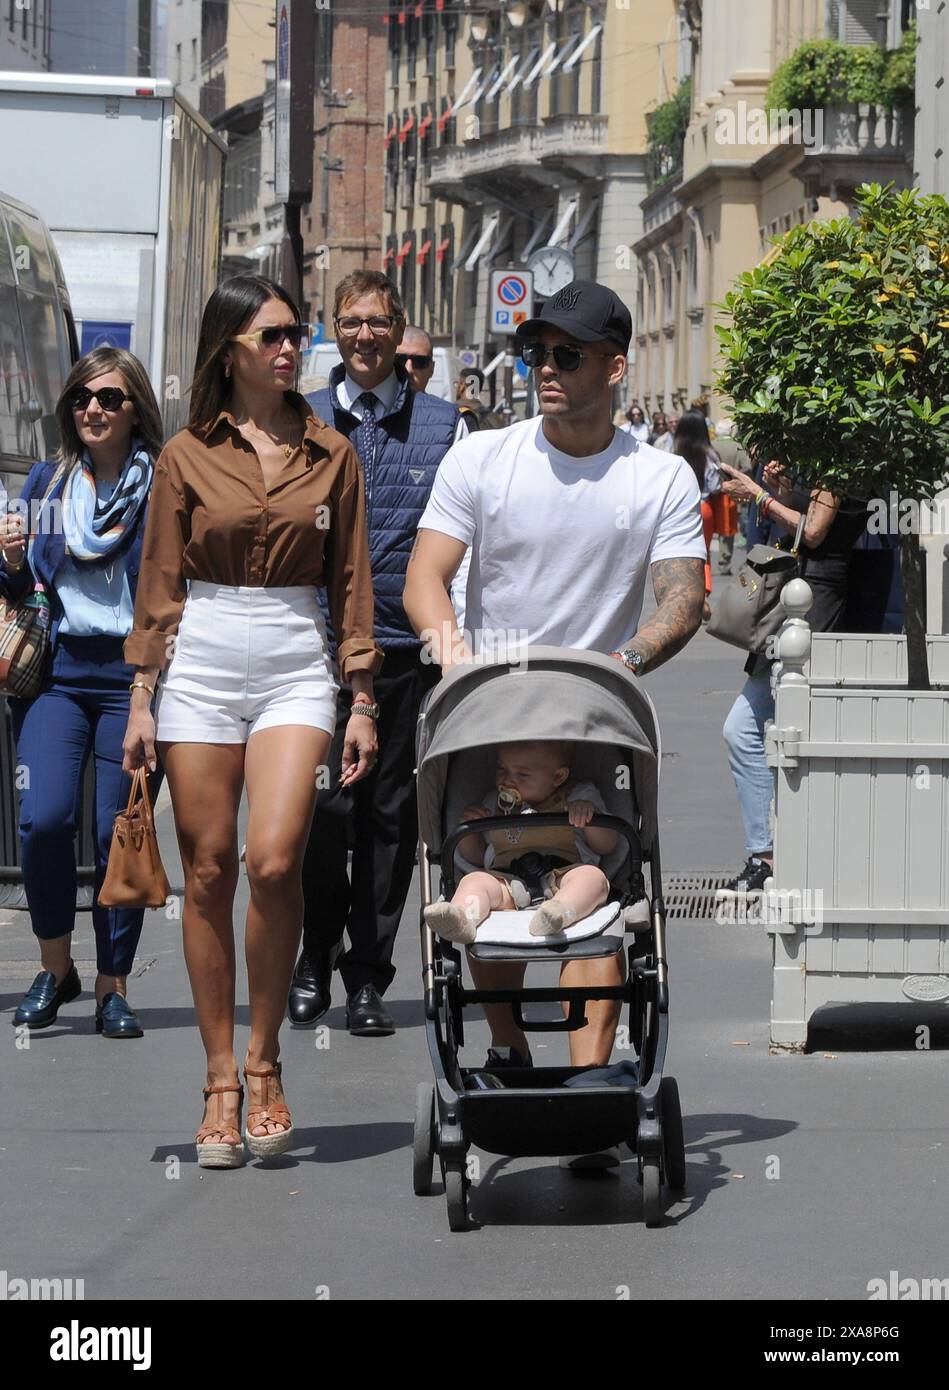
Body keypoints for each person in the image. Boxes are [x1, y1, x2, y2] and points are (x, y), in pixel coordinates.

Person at [404, 278, 706, 1127]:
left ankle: (588, 1085)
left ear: (614, 368)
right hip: (489, 709)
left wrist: (623, 662)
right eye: (537, 351)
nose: (545, 368)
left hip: (591, 714)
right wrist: (455, 659)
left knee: (599, 891)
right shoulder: (481, 457)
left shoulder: (657, 478)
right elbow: (424, 577)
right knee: (481, 863)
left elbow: (682, 599)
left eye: (566, 355)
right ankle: (505, 1049)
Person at [122, 274, 381, 1168]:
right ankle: (221, 1078)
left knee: (274, 858)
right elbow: (158, 584)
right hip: (202, 649)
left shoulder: (331, 451)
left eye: (293, 334)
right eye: (270, 335)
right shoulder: (187, 454)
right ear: (228, 347)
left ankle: (267, 1060)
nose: (287, 349)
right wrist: (142, 698)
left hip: (292, 654)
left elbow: (352, 585)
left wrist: (362, 699)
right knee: (208, 866)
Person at [289, 270, 465, 1037]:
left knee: (390, 821)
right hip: (318, 651)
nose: (365, 336)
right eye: (351, 322)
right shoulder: (302, 418)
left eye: (379, 323)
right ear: (335, 330)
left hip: (405, 652)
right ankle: (312, 954)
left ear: (399, 333)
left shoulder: (444, 425)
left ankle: (368, 976)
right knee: (322, 813)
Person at [1, 348, 163, 1038]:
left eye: (109, 398)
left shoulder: (162, 489)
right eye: (81, 399)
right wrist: (9, 559)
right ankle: (54, 968)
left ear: (135, 411)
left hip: (133, 681)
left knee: (116, 832)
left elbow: (175, 590)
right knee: (43, 821)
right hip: (57, 677)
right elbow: (20, 594)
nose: (92, 409)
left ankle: (111, 985)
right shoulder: (46, 484)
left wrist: (150, 689)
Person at [716, 458, 868, 898]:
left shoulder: (837, 457)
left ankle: (770, 858)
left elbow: (816, 532)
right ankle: (770, 855)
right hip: (798, 595)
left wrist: (762, 498)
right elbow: (808, 520)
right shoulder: (821, 453)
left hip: (813, 600)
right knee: (757, 729)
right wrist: (781, 490)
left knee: (756, 728)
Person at [424, 740, 616, 943]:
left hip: (562, 876)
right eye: (501, 768)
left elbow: (607, 845)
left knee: (592, 878)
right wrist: (469, 829)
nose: (507, 780)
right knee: (473, 881)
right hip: (506, 881)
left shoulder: (579, 796)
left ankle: (560, 911)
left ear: (558, 777)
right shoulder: (494, 804)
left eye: (522, 774)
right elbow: (477, 856)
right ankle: (463, 918)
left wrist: (589, 818)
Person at [673, 409, 721, 618]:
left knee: (682, 551)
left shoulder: (674, 452)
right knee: (705, 553)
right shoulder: (710, 454)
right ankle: (705, 595)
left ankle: (686, 596)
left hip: (681, 507)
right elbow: (716, 485)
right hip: (705, 506)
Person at [709, 420, 749, 574]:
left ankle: (706, 562)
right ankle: (724, 561)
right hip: (730, 493)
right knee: (727, 529)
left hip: (711, 493)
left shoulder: (711, 445)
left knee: (710, 527)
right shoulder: (737, 446)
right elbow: (746, 467)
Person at [396, 324, 437, 395]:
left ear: (431, 369)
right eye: (400, 360)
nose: (408, 370)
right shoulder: (373, 405)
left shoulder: (444, 406)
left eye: (419, 361)